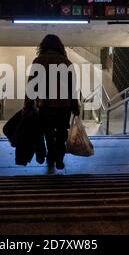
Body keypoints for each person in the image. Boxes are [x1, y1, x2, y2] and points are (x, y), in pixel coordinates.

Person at [24, 35, 80, 170]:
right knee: (61, 133)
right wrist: (75, 106)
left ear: (43, 47)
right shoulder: (67, 63)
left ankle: (50, 156)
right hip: (64, 106)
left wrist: (28, 105)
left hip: (45, 105)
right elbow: (71, 88)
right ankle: (59, 158)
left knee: (48, 132)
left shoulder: (38, 61)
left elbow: (32, 86)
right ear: (59, 47)